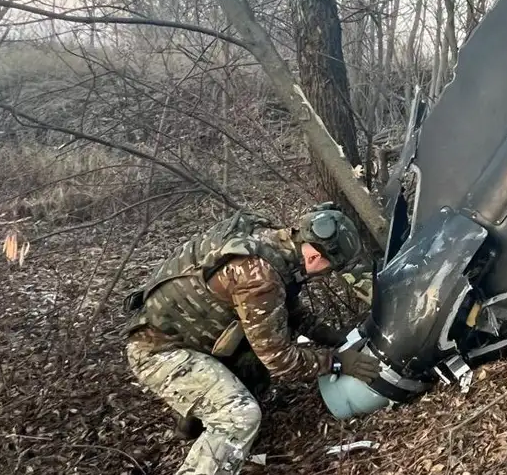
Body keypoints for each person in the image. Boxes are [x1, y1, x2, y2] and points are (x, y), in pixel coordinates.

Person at [120, 202, 382, 474]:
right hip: (159, 352)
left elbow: (281, 310)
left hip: (189, 336)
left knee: (254, 369)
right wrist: (337, 362)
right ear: (316, 257)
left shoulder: (269, 239)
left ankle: (197, 417)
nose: (326, 274)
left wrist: (333, 337)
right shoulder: (260, 277)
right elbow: (281, 362)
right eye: (329, 268)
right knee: (240, 417)